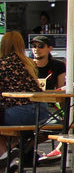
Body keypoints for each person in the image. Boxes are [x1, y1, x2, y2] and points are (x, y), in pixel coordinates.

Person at [0, 31, 46, 162]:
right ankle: (19, 150)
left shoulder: (2, 63)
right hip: (41, 112)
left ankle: (6, 155)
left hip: (17, 112)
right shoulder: (29, 63)